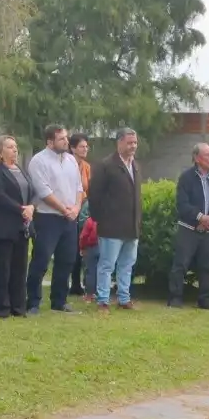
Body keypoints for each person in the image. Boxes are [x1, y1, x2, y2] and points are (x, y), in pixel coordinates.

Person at [26, 125, 84, 315]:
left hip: (70, 218)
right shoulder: (38, 161)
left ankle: (59, 300)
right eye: (61, 139)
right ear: (50, 142)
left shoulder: (71, 161)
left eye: (66, 138)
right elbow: (43, 191)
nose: (66, 142)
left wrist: (75, 208)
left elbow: (79, 188)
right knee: (41, 260)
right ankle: (33, 301)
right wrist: (63, 209)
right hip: (47, 217)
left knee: (67, 260)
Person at [168, 142, 209, 310]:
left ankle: (205, 299)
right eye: (207, 155)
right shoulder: (186, 178)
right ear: (196, 158)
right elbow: (182, 203)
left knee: (206, 266)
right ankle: (175, 297)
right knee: (181, 264)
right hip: (188, 228)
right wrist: (201, 217)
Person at [89, 128, 143, 313]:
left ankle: (123, 298)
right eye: (129, 142)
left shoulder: (134, 165)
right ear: (119, 142)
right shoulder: (106, 165)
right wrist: (100, 218)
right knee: (107, 264)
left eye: (135, 143)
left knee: (127, 264)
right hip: (111, 226)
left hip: (131, 226)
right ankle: (103, 300)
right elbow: (94, 195)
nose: (133, 146)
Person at [0, 135, 34, 319]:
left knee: (19, 269)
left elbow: (31, 191)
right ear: (0, 150)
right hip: (2, 226)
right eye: (10, 147)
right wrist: (21, 209)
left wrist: (31, 206)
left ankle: (18, 306)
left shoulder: (20, 170)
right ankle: (1, 307)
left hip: (21, 226)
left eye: (15, 147)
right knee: (1, 269)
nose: (15, 150)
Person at [67, 134, 93, 297]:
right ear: (73, 148)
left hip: (82, 208)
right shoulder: (67, 164)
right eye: (82, 146)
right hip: (67, 208)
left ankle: (77, 283)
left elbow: (88, 189)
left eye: (86, 147)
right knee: (69, 248)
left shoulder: (86, 167)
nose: (85, 149)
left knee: (80, 248)